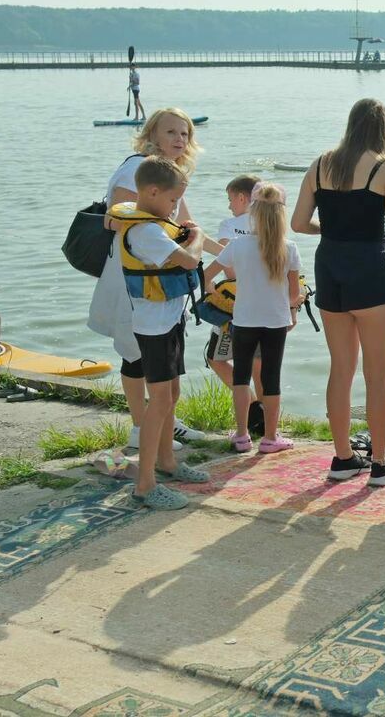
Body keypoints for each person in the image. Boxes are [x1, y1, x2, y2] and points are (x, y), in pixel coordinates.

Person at [291, 98, 385, 487]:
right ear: (382, 132)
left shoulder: (320, 164)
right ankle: (381, 463)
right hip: (369, 268)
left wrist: (330, 232)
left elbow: (298, 222)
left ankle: (343, 457)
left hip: (330, 266)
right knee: (376, 374)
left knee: (341, 368)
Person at [88, 108, 213, 452]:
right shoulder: (137, 169)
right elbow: (115, 219)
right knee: (136, 352)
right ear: (152, 135)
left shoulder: (170, 175)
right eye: (171, 132)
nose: (179, 139)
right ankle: (141, 427)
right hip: (133, 275)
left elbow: (186, 226)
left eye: (185, 134)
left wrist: (231, 255)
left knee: (164, 354)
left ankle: (166, 423)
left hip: (163, 277)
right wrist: (174, 243)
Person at [107, 157, 210, 509]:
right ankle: (145, 484)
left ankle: (167, 462)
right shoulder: (145, 231)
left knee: (173, 393)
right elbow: (189, 261)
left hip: (170, 319)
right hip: (153, 328)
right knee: (161, 400)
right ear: (151, 192)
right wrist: (195, 236)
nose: (175, 208)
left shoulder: (153, 222)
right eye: (172, 201)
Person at [203, 182, 300, 454]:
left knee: (241, 377)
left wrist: (214, 292)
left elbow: (207, 276)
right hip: (276, 322)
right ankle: (270, 438)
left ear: (253, 212)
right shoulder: (289, 248)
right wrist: (294, 306)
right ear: (281, 214)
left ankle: (242, 435)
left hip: (243, 320)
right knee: (271, 377)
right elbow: (293, 294)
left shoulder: (237, 246)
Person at [206, 174, 266, 435]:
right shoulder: (270, 223)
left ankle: (251, 407)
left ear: (242, 198)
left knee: (216, 358)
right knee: (259, 363)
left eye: (231, 199)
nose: (230, 205)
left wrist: (211, 292)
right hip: (266, 301)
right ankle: (266, 419)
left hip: (236, 304)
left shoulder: (229, 225)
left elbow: (227, 265)